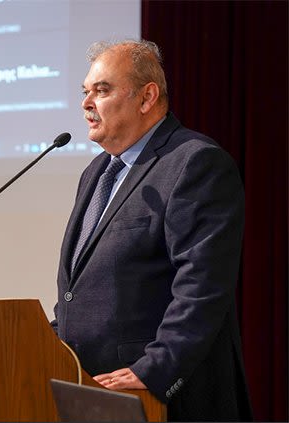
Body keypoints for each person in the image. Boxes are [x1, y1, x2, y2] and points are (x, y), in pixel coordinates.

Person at [52, 39, 253, 421]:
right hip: (89, 387)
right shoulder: (96, 173)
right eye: (85, 91)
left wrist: (154, 371)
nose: (86, 103)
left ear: (146, 98)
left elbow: (202, 287)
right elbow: (81, 288)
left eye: (102, 90)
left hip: (160, 398)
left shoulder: (195, 163)